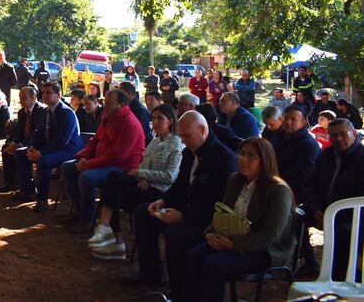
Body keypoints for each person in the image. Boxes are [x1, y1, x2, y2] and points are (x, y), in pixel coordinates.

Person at [122, 111, 236, 298]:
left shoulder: (224, 159)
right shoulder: (190, 153)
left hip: (206, 220)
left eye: (186, 136)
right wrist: (163, 200)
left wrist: (183, 217)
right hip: (186, 211)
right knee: (143, 212)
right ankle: (151, 274)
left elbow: (219, 204)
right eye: (181, 135)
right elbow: (180, 185)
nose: (183, 141)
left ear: (202, 130)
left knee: (176, 234)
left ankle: (180, 292)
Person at [184, 137, 296, 302]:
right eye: (242, 154)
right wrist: (209, 233)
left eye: (251, 156)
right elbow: (222, 212)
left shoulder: (278, 191)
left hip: (265, 250)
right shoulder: (235, 180)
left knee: (213, 264)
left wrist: (233, 245)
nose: (243, 159)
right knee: (195, 255)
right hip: (232, 237)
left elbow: (271, 235)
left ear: (264, 159)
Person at [89, 103, 183, 260]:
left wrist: (141, 173)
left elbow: (170, 176)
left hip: (160, 191)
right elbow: (143, 164)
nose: (156, 122)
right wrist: (141, 177)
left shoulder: (176, 143)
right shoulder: (154, 140)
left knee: (114, 193)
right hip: (144, 183)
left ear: (170, 121)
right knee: (113, 180)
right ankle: (108, 230)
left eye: (160, 118)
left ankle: (114, 238)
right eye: (153, 118)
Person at [60, 88, 145, 232]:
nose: (104, 106)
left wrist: (89, 164)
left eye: (109, 103)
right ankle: (79, 211)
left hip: (121, 169)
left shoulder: (129, 123)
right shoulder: (108, 117)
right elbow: (94, 141)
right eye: (104, 102)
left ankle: (88, 219)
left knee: (86, 177)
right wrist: (82, 156)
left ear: (121, 105)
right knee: (67, 167)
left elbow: (117, 156)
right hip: (100, 161)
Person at [303, 118, 364, 281]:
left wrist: (332, 215)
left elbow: (359, 197)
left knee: (343, 233)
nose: (338, 139)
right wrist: (315, 208)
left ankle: (341, 278)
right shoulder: (325, 155)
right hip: (322, 210)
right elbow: (309, 185)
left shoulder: (361, 157)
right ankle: (307, 262)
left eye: (343, 134)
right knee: (294, 217)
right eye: (333, 135)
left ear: (354, 134)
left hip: (352, 216)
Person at [13, 82, 82, 212]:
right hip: (50, 147)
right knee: (20, 153)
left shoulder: (66, 112)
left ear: (58, 94)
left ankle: (42, 199)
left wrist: (41, 152)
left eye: (49, 93)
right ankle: (28, 190)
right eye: (43, 93)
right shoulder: (45, 112)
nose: (45, 96)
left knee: (44, 160)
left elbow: (62, 140)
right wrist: (32, 147)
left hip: (69, 150)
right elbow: (39, 134)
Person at [272, 104, 320, 272]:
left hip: (301, 193)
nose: (289, 123)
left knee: (291, 213)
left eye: (294, 120)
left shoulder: (308, 144)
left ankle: (306, 260)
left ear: (303, 122)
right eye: (286, 119)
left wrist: (277, 182)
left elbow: (303, 174)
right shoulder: (279, 138)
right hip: (278, 187)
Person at [0, 86, 46, 193]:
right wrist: (14, 142)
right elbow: (20, 132)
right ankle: (11, 182)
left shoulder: (42, 111)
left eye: (24, 98)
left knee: (20, 152)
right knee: (6, 148)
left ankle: (28, 187)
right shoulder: (22, 112)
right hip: (26, 141)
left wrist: (21, 145)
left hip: (39, 143)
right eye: (20, 98)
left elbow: (37, 133)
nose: (21, 101)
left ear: (33, 98)